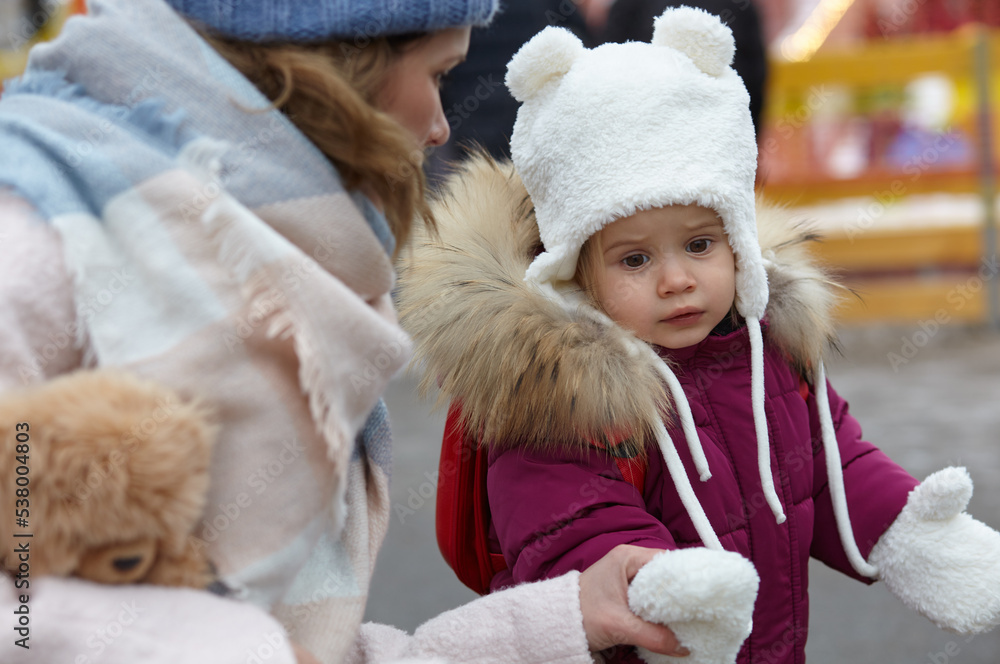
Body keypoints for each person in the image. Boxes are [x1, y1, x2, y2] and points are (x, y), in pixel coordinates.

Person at [0, 1, 687, 662]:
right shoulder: (33, 233)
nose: (444, 127)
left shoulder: (301, 282)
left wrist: (564, 621)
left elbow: (304, 645)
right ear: (344, 63)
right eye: (439, 74)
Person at [396, 7, 1000, 663]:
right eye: (634, 259)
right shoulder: (560, 393)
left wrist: (913, 537)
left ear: (737, 238)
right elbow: (571, 528)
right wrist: (660, 587)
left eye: (700, 243)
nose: (677, 279)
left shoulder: (761, 346)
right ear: (577, 270)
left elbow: (832, 467)